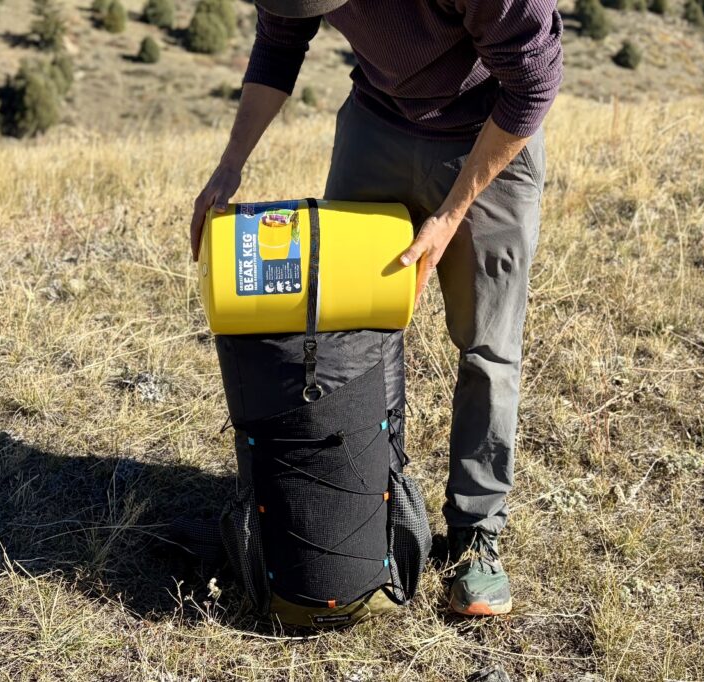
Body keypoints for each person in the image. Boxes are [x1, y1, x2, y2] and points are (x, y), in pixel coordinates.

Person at [190, 0, 563, 617]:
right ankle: (370, 504)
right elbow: (280, 44)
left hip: (486, 140)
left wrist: (447, 218)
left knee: (486, 348)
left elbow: (534, 84)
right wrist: (230, 165)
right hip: (377, 127)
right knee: (339, 328)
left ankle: (475, 538)